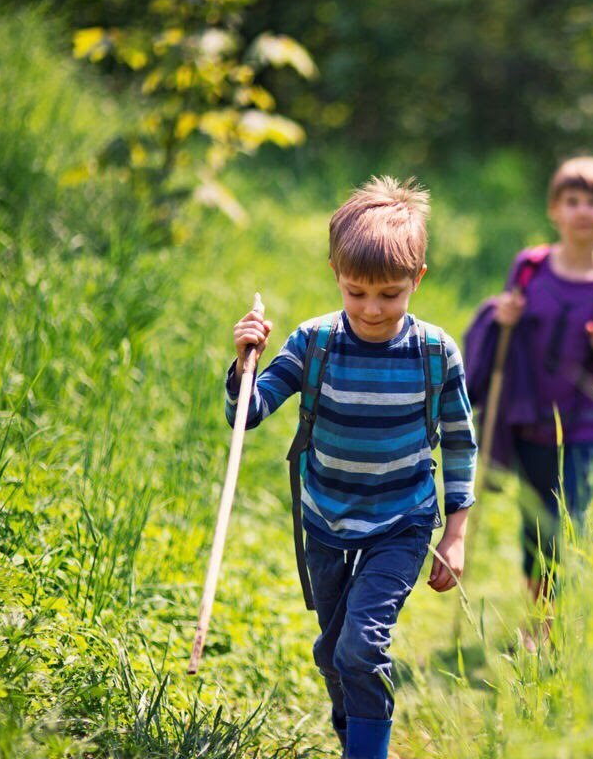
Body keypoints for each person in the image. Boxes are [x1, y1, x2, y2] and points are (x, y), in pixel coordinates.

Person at [226, 176, 476, 759]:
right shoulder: (314, 342)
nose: (371, 309)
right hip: (325, 519)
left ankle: (367, 752)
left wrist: (456, 533)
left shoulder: (435, 352)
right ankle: (355, 735)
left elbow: (462, 442)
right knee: (333, 652)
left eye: (389, 294)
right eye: (356, 291)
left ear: (417, 280)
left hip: (403, 519)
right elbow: (252, 411)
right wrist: (243, 367)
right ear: (335, 272)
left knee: (361, 646)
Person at [464, 157, 593, 632]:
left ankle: (553, 625)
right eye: (573, 201)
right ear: (555, 210)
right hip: (529, 416)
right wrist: (502, 316)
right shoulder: (530, 267)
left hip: (587, 422)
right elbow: (504, 329)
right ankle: (538, 616)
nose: (583, 211)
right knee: (536, 523)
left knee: (569, 520)